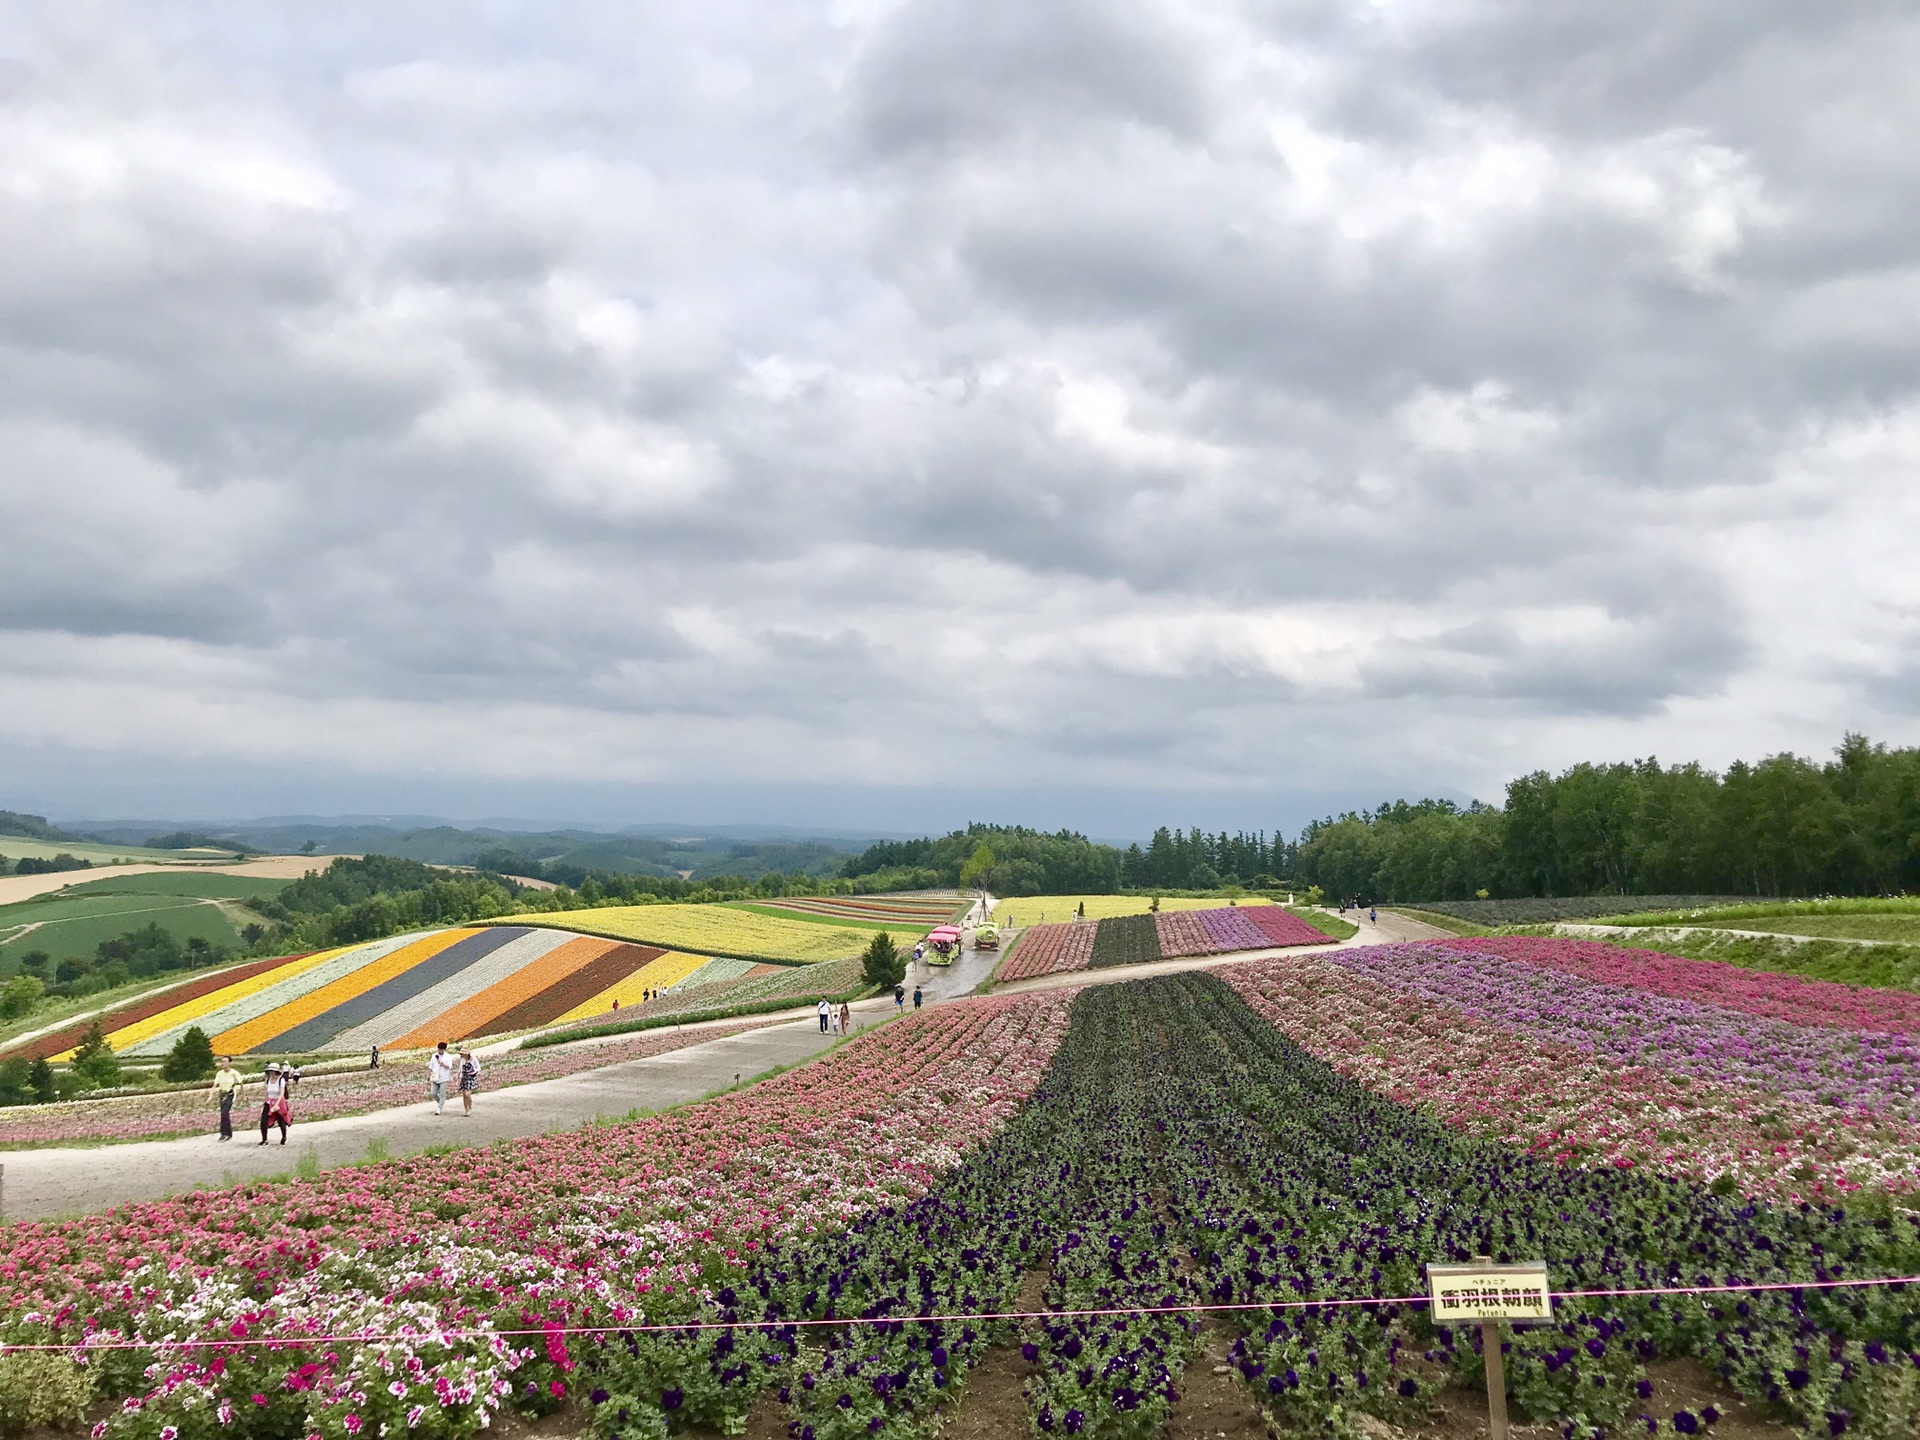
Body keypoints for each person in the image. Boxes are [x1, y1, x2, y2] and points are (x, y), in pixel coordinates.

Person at [210, 1055, 242, 1141]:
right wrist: (210, 1096)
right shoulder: (219, 1073)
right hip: (222, 1094)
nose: (222, 1063)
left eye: (224, 1061)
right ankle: (228, 1133)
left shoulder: (234, 1073)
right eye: (222, 1061)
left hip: (230, 1094)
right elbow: (215, 1085)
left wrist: (243, 1095)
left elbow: (241, 1082)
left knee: (225, 1112)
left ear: (229, 1063)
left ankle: (224, 1133)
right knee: (223, 1113)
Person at [258, 1063, 289, 1146]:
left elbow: (281, 1093)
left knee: (281, 1120)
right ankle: (264, 1140)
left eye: (273, 1071)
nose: (271, 1073)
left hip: (279, 1102)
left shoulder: (281, 1080)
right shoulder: (268, 1080)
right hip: (269, 1102)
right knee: (263, 1120)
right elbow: (267, 1092)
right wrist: (265, 1101)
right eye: (270, 1071)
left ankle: (284, 1137)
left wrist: (276, 1104)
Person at [427, 1041, 455, 1115]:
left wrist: (442, 1064)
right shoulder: (434, 1055)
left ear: (444, 1050)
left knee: (442, 1093)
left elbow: (449, 1066)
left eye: (441, 1050)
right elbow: (431, 1066)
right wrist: (429, 1075)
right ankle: (441, 1102)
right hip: (435, 1076)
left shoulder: (448, 1056)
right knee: (433, 1093)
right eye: (439, 1049)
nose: (440, 1051)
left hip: (444, 1077)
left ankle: (439, 1109)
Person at [457, 1047, 481, 1115]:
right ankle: (466, 1109)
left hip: (471, 1078)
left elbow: (478, 1068)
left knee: (467, 1094)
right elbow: (460, 1068)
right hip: (464, 1078)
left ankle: (470, 1107)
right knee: (464, 1094)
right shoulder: (462, 1060)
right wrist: (459, 1074)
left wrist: (473, 1071)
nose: (462, 1055)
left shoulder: (474, 1059)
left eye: (463, 1054)